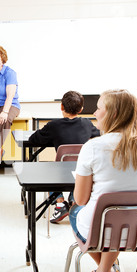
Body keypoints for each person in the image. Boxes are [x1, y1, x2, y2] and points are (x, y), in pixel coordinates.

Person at [70, 89, 137, 272]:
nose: (94, 114)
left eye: (98, 109)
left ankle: (103, 271)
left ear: (113, 114)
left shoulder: (93, 147)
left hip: (98, 232)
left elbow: (80, 199)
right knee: (120, 216)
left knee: (76, 211)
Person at [28, 91, 100, 223]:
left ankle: (60, 203)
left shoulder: (54, 126)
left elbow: (33, 139)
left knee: (49, 168)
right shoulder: (87, 124)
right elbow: (99, 135)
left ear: (61, 107)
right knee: (81, 167)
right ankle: (75, 200)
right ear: (81, 109)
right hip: (80, 173)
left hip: (60, 173)